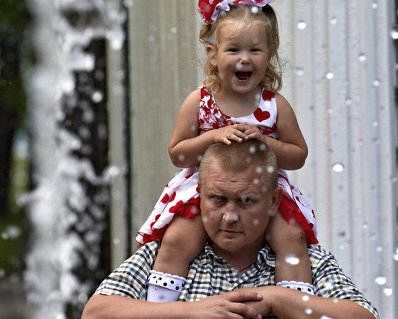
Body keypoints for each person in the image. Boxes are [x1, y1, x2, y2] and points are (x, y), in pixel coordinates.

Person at [136, 0, 318, 303]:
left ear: (269, 55)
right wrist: (212, 138)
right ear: (213, 55)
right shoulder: (199, 102)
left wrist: (266, 143)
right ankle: (161, 304)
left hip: (260, 190)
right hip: (207, 188)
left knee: (291, 237)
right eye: (234, 50)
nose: (244, 59)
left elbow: (298, 156)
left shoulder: (274, 106)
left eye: (255, 51)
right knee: (179, 238)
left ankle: (294, 305)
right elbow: (177, 154)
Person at [82, 140, 379, 319]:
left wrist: (273, 298)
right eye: (217, 199)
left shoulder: (308, 261)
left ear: (274, 201)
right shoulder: (163, 256)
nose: (229, 216)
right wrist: (193, 312)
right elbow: (95, 313)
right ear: (198, 193)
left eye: (246, 201)